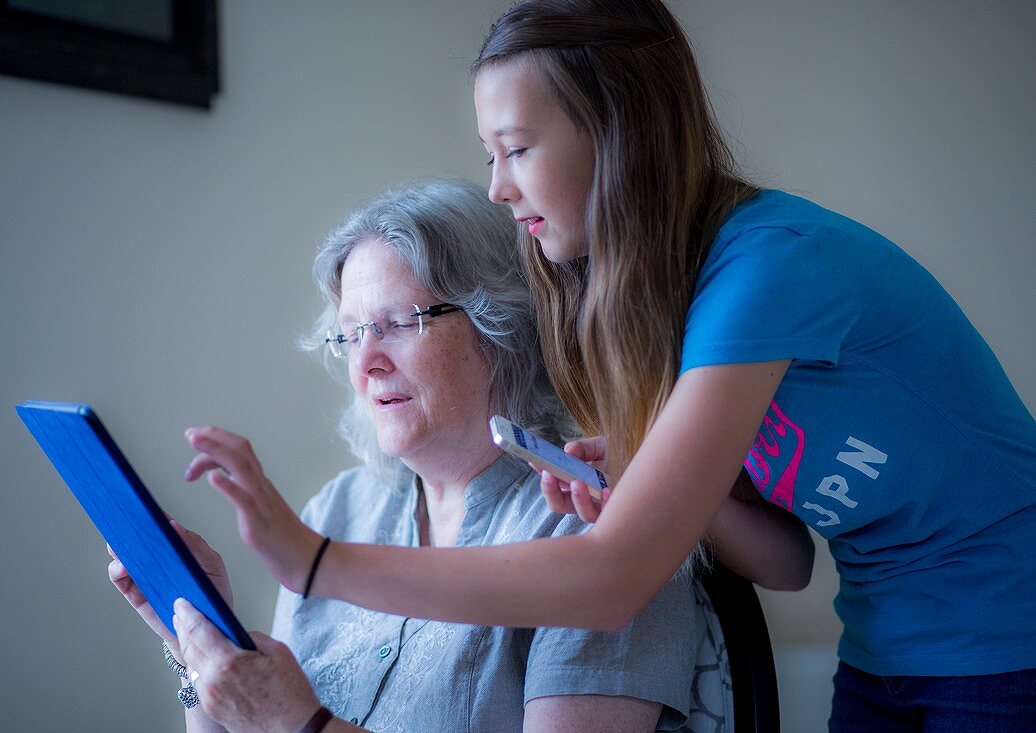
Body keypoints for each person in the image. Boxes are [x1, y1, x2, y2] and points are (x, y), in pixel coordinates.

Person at [183, 2, 1036, 731]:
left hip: (1009, 633)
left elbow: (614, 580)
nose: (497, 188)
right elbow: (785, 560)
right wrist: (639, 481)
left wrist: (314, 562)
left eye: (516, 149)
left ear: (618, 133)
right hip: (887, 642)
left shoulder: (768, 271)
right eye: (489, 154)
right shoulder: (662, 303)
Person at [110, 177, 748, 733]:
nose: (366, 362)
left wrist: (297, 721)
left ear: (498, 326)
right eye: (351, 333)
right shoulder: (336, 511)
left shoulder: (597, 522)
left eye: (397, 323)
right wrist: (201, 650)